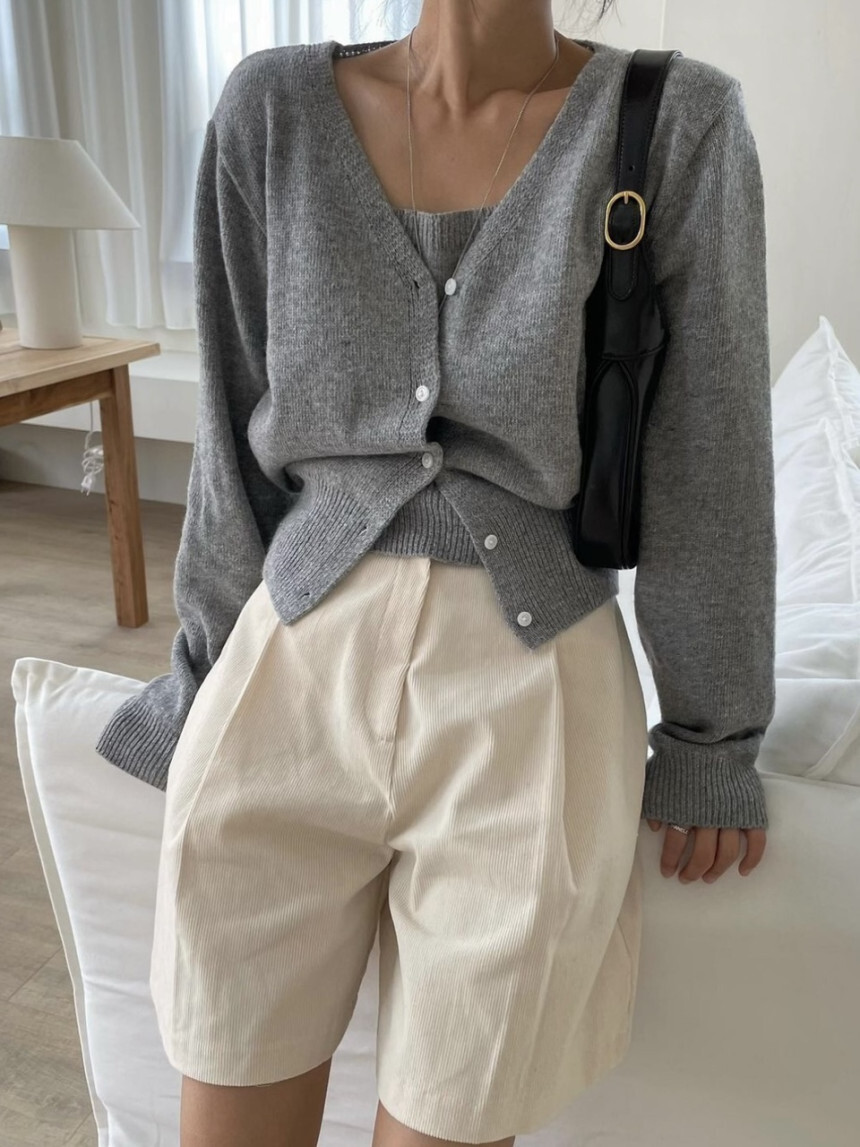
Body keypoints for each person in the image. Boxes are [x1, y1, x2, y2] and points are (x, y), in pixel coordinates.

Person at [95, 0, 776, 1143]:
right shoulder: (272, 112)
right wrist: (200, 679)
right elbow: (228, 439)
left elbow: (710, 455)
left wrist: (712, 737)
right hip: (287, 687)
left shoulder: (676, 126)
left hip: (529, 711)